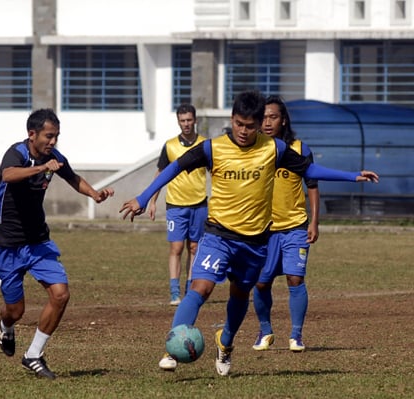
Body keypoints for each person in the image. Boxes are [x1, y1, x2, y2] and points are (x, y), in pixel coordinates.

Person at [120, 90, 378, 376]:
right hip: (218, 235)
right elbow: (175, 167)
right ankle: (173, 346)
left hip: (254, 243)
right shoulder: (213, 148)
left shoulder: (274, 149)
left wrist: (351, 175)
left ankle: (226, 344)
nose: (243, 131)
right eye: (239, 124)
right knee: (200, 288)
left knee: (240, 295)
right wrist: (143, 199)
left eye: (250, 126)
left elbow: (309, 169)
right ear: (232, 120)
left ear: (259, 125)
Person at [0, 108, 114, 380]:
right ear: (32, 134)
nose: (53, 142)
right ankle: (5, 325)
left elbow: (73, 178)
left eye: (56, 136)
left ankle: (33, 354)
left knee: (60, 294)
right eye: (49, 136)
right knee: (15, 310)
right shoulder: (18, 153)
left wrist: (94, 194)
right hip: (7, 244)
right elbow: (8, 175)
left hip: (38, 242)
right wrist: (42, 168)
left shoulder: (54, 157)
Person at [251, 96, 319, 353]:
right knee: (260, 282)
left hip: (295, 227)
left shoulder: (300, 149)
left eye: (273, 117)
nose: (267, 123)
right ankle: (265, 330)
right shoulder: (254, 150)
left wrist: (314, 221)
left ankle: (296, 335)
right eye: (264, 118)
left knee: (295, 278)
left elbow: (312, 185)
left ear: (283, 120)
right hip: (263, 230)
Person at [147, 104, 207, 306]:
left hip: (199, 203)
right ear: (178, 122)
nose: (186, 124)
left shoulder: (205, 145)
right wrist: (153, 200)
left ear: (195, 120)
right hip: (175, 204)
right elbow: (161, 174)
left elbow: (217, 171)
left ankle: (191, 289)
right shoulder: (170, 145)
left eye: (189, 120)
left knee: (194, 247)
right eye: (183, 120)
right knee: (177, 247)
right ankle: (174, 292)